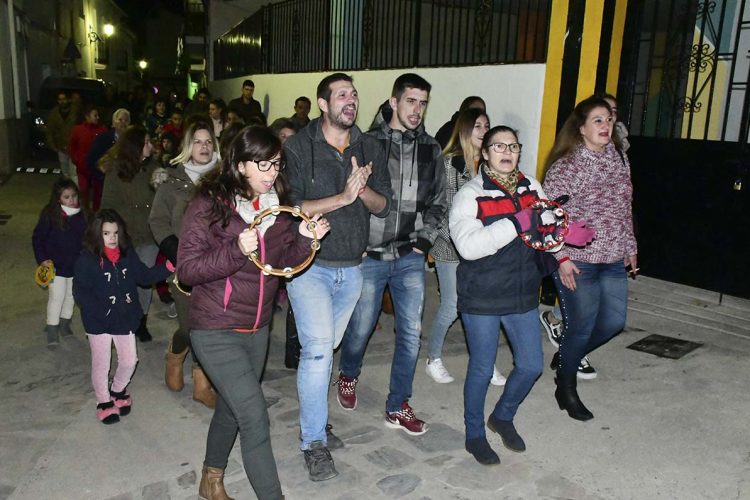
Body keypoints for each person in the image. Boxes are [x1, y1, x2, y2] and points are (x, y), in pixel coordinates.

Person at [178, 126, 330, 500]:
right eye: (263, 164)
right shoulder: (208, 206)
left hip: (257, 326)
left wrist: (308, 242)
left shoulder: (276, 206)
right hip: (215, 327)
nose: (271, 173)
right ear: (240, 164)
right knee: (254, 414)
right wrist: (235, 248)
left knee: (233, 407)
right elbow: (188, 271)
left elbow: (284, 261)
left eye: (276, 164)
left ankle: (211, 478)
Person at [450, 125, 594, 464]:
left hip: (522, 290)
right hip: (482, 295)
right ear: (484, 153)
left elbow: (543, 228)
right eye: (498, 146)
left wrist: (563, 244)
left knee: (531, 365)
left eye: (513, 146)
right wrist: (516, 221)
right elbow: (469, 247)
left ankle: (502, 416)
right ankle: (474, 434)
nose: (507, 152)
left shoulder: (531, 185)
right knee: (482, 370)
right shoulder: (470, 194)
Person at [283, 72, 391, 481]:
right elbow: (291, 207)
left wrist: (361, 192)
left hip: (353, 268)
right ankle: (313, 441)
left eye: (354, 94)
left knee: (325, 351)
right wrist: (342, 197)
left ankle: (316, 417)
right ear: (323, 104)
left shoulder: (369, 145)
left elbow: (382, 206)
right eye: (342, 95)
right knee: (316, 351)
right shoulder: (297, 146)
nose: (351, 100)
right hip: (310, 266)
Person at [336, 73, 446, 436]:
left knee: (411, 334)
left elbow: (439, 204)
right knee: (361, 329)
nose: (417, 109)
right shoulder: (366, 143)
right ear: (394, 102)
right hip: (369, 255)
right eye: (411, 101)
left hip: (410, 255)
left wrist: (424, 242)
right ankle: (348, 374)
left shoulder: (432, 149)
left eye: (423, 102)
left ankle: (398, 404)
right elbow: (349, 197)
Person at [542, 96, 637, 421]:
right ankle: (565, 387)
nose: (605, 125)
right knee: (581, 327)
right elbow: (546, 216)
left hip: (612, 257)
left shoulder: (619, 159)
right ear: (581, 128)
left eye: (608, 119)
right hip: (577, 260)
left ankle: (568, 355)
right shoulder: (568, 167)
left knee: (613, 322)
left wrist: (630, 245)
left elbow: (625, 207)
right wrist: (561, 257)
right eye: (597, 120)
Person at [426, 108, 506, 386]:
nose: (484, 131)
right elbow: (440, 209)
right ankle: (433, 357)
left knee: (483, 307)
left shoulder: (490, 168)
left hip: (482, 248)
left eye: (487, 125)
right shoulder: (449, 165)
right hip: (450, 245)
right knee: (452, 306)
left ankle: (486, 363)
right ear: (464, 130)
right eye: (477, 126)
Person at [73, 209, 173, 424]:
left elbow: (144, 277)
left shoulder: (127, 256)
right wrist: (101, 311)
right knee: (102, 364)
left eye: (116, 233)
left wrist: (167, 267)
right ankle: (104, 401)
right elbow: (80, 292)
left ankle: (117, 391)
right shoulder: (87, 260)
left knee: (129, 361)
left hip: (124, 317)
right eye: (107, 233)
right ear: (96, 234)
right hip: (98, 322)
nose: (112, 238)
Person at [149, 121, 220, 408]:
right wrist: (176, 252)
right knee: (189, 327)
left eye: (208, 141)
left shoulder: (224, 179)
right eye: (198, 141)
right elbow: (157, 220)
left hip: (217, 265)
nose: (203, 146)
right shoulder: (171, 182)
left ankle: (202, 383)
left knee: (210, 328)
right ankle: (175, 354)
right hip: (184, 267)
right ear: (187, 147)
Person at [100, 127, 160, 342]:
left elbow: (164, 202)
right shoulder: (116, 171)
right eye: (146, 142)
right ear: (136, 146)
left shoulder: (156, 170)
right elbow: (107, 205)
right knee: (121, 281)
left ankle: (141, 321)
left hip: (148, 235)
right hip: (123, 236)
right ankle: (121, 317)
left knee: (144, 281)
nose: (151, 146)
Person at [32, 178, 87, 345]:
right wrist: (42, 259)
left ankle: (64, 323)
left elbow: (87, 238)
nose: (72, 200)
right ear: (58, 199)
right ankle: (52, 328)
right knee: (57, 297)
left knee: (71, 296)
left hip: (76, 266)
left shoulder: (82, 215)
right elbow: (37, 238)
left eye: (74, 196)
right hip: (55, 266)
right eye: (67, 197)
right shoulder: (50, 215)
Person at [86, 108, 132, 211]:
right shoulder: (102, 139)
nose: (123, 123)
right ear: (114, 122)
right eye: (120, 120)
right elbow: (91, 160)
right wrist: (100, 176)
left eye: (126, 120)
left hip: (125, 186)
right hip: (104, 185)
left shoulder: (131, 142)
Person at [69, 105, 107, 208]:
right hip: (83, 167)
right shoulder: (78, 129)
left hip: (97, 167)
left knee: (98, 193)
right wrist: (76, 159)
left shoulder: (102, 130)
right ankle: (85, 212)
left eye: (98, 115)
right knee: (83, 191)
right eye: (95, 115)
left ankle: (96, 213)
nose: (97, 117)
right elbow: (72, 146)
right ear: (87, 116)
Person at [45, 92, 80, 181]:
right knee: (65, 172)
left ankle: (75, 191)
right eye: (60, 99)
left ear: (68, 99)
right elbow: (49, 130)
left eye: (64, 99)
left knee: (74, 172)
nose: (62, 101)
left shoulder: (75, 111)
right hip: (61, 146)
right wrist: (53, 145)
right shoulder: (54, 113)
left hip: (74, 146)